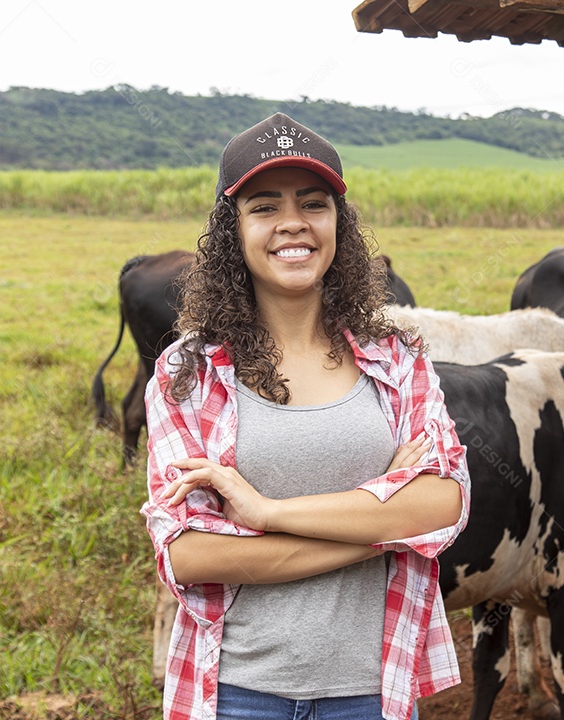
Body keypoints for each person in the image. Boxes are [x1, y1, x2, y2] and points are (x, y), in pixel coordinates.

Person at [140, 112, 471, 720]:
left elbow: (443, 504)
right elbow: (187, 553)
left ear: (338, 222)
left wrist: (265, 513)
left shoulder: (397, 359)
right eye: (265, 206)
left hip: (370, 692)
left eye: (313, 203)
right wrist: (382, 523)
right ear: (233, 230)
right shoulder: (188, 372)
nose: (293, 222)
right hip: (237, 693)